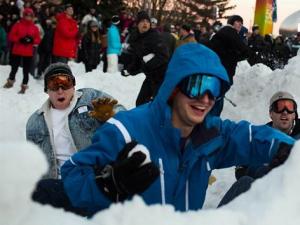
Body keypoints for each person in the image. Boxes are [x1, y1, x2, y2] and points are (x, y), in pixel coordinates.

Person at [59, 43, 294, 215]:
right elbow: (72, 175)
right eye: (197, 85)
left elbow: (250, 136)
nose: (205, 98)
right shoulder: (126, 130)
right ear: (173, 87)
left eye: (213, 89)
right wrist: (108, 186)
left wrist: (287, 149)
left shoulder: (210, 135)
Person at [26, 62, 126, 179]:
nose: (60, 90)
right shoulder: (35, 122)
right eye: (54, 84)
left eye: (65, 83)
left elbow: (123, 116)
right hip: (57, 183)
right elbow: (34, 163)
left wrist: (111, 117)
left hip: (94, 176)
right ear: (46, 90)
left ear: (73, 86)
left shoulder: (90, 98)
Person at [235, 91, 300, 181]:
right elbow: (240, 172)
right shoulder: (257, 139)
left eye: (289, 107)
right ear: (271, 114)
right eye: (279, 107)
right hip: (265, 189)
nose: (285, 112)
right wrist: (266, 170)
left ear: (294, 115)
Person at [120, 10, 169, 106]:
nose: (145, 23)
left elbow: (164, 56)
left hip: (162, 77)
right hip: (150, 77)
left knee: (158, 105)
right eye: (142, 21)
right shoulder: (136, 38)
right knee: (140, 103)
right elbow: (137, 60)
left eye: (147, 21)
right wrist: (130, 70)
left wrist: (148, 63)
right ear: (137, 24)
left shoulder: (154, 36)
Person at [207, 15, 251, 116]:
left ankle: (209, 121)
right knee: (217, 99)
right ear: (232, 23)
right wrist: (236, 56)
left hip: (215, 69)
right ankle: (212, 123)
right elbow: (245, 50)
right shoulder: (230, 32)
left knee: (214, 96)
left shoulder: (220, 33)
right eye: (238, 22)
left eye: (241, 23)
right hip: (224, 71)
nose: (240, 25)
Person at [3, 7, 41, 94]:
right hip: (17, 51)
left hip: (28, 52)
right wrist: (20, 39)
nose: (28, 17)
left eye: (30, 15)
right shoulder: (18, 25)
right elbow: (11, 36)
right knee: (14, 68)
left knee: (26, 70)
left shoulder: (34, 27)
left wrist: (32, 40)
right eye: (26, 15)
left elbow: (38, 39)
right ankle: (10, 82)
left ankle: (24, 86)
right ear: (23, 15)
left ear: (32, 16)